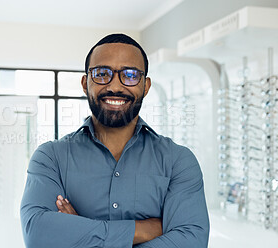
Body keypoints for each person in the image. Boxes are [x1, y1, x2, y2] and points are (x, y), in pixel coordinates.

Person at [20, 33, 209, 247]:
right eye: (102, 73)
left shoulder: (178, 161)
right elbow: (38, 234)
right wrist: (141, 230)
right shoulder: (50, 158)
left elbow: (191, 240)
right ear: (85, 83)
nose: (115, 87)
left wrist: (80, 231)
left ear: (146, 86)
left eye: (130, 75)